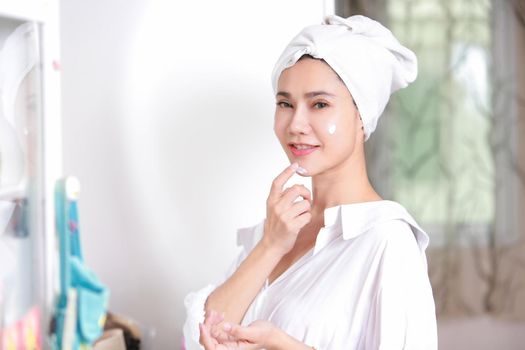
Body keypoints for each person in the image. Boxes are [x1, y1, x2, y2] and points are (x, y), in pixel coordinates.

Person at [183, 14, 437, 350]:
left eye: (319, 104)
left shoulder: (387, 241)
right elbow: (199, 339)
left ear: (362, 116)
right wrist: (271, 246)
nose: (296, 124)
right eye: (285, 103)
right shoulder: (275, 230)